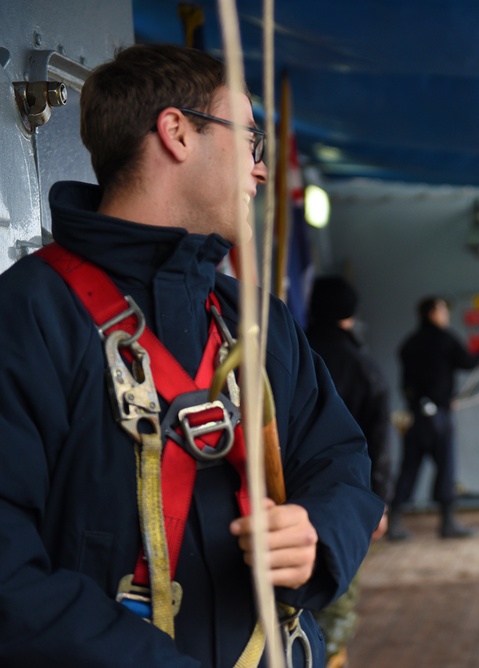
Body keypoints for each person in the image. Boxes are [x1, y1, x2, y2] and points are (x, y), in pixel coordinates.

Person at [0, 44, 384, 667]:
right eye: (252, 141)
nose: (260, 171)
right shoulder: (28, 316)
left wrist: (319, 534)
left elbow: (339, 455)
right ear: (176, 132)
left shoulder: (255, 318)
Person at [306, 275, 392, 668]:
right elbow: (378, 438)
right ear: (350, 313)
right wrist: (377, 502)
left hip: (281, 498)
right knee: (337, 597)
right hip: (343, 502)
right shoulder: (363, 365)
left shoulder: (292, 352)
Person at [387, 296, 479, 540]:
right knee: (446, 468)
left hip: (414, 416)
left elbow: (409, 382)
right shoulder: (446, 339)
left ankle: (392, 523)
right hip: (439, 417)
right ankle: (447, 523)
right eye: (442, 310)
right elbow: (467, 362)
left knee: (409, 468)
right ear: (432, 313)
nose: (446, 314)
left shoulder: (409, 343)